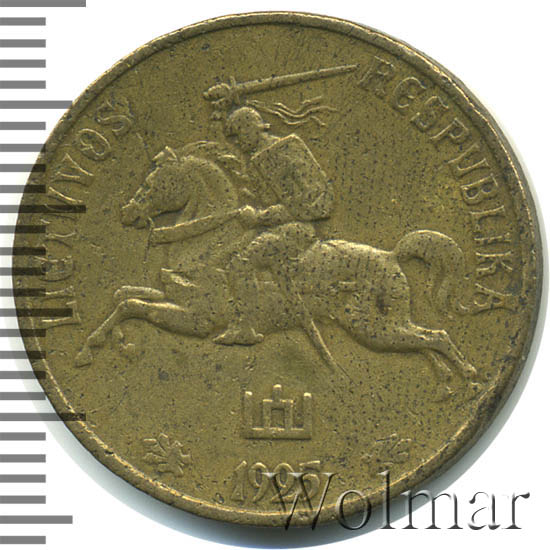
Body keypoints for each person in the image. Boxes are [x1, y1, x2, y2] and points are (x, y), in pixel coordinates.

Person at [213, 106, 334, 345]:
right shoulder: (255, 160)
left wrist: (260, 216)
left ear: (252, 129)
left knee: (240, 264)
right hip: (272, 227)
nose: (236, 143)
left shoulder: (287, 149)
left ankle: (245, 329)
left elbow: (316, 200)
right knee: (222, 256)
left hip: (298, 229)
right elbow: (272, 198)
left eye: (238, 136)